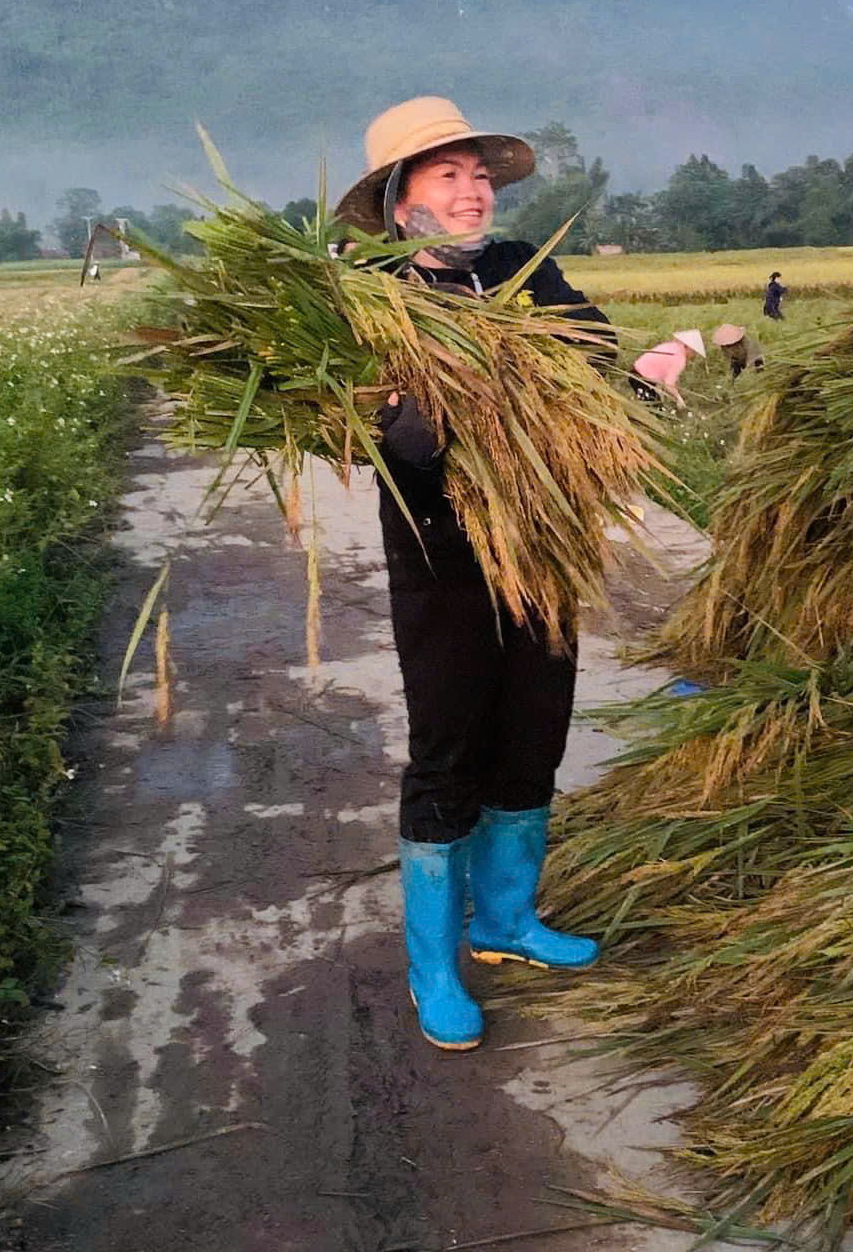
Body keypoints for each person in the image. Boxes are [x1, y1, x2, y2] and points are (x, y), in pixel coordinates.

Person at [334, 96, 614, 1052]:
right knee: (449, 746)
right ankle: (432, 966)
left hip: (542, 544)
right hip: (442, 558)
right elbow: (380, 434)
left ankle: (503, 921)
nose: (473, 190)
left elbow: (597, 350)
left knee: (535, 730)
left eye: (479, 173)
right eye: (447, 175)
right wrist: (408, 425)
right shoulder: (370, 301)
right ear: (400, 201)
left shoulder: (518, 270)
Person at [628, 328, 705, 405]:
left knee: (654, 403)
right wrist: (678, 398)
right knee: (654, 410)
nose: (693, 355)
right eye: (694, 352)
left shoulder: (670, 345)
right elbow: (669, 384)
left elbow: (659, 368)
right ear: (689, 348)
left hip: (636, 373)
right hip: (641, 379)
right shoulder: (679, 358)